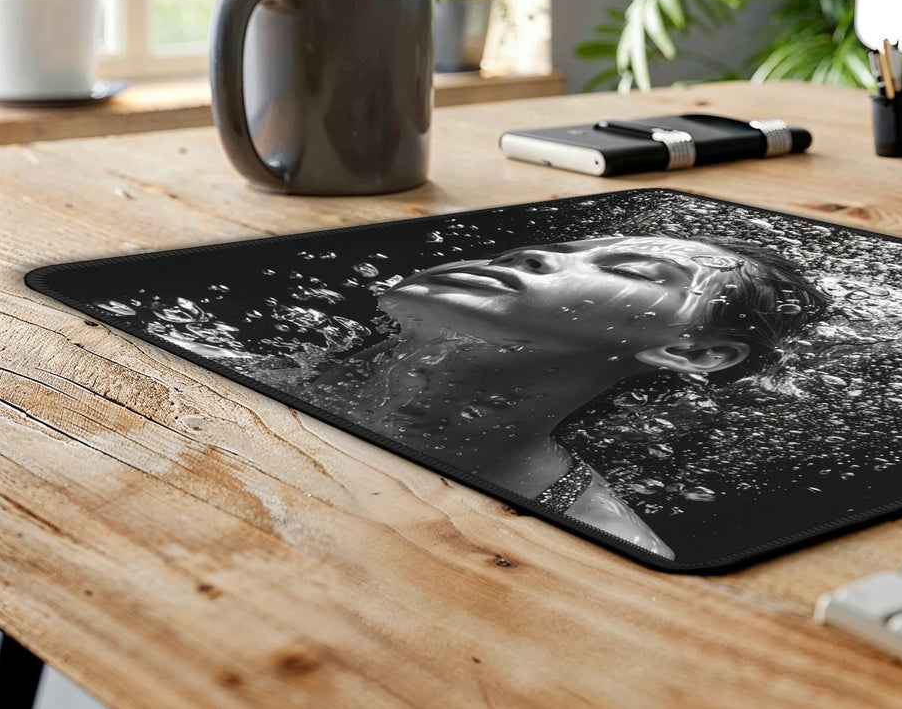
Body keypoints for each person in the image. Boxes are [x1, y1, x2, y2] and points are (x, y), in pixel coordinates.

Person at [346, 234, 827, 559]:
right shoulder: (280, 366)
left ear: (694, 351)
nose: (533, 254)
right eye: (561, 248)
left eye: (635, 272)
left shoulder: (606, 549)